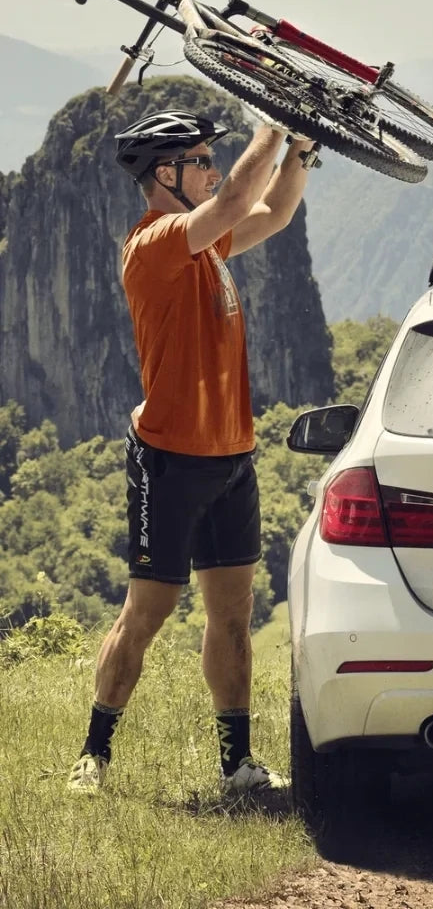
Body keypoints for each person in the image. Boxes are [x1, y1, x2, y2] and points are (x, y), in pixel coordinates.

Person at [67, 108, 316, 796]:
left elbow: (272, 213)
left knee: (231, 618)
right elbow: (239, 197)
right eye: (201, 159)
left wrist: (302, 148)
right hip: (169, 461)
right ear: (166, 174)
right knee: (146, 612)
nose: (212, 168)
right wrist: (273, 121)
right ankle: (94, 755)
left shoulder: (205, 246)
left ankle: (237, 764)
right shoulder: (156, 243)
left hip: (232, 456)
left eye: (212, 158)